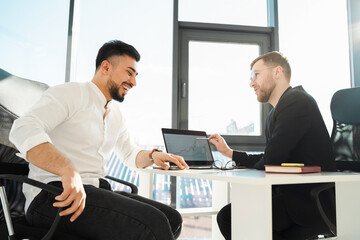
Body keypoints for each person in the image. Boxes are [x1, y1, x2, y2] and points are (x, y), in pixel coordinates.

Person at [9, 40, 189, 240]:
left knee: (172, 219)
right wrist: (67, 169)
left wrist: (154, 155)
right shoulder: (70, 93)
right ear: (106, 67)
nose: (134, 82)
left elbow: (130, 154)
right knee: (153, 224)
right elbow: (22, 128)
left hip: (94, 191)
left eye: (136, 76)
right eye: (129, 73)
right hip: (52, 196)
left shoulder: (116, 114)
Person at [209, 51, 336, 240]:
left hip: (310, 201)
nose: (251, 82)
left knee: (229, 218)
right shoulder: (276, 113)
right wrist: (229, 153)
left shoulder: (297, 101)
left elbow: (270, 160)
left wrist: (259, 160)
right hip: (292, 195)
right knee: (241, 217)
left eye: (256, 75)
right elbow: (270, 158)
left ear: (278, 71)